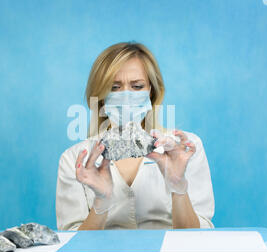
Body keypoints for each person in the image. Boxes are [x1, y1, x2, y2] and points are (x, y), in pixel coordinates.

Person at [56, 42, 214, 231]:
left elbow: (198, 238)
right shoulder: (74, 160)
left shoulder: (185, 150)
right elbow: (72, 243)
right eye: (114, 87)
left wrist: (178, 187)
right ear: (101, 97)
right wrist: (102, 202)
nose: (126, 96)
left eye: (137, 86)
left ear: (152, 92)